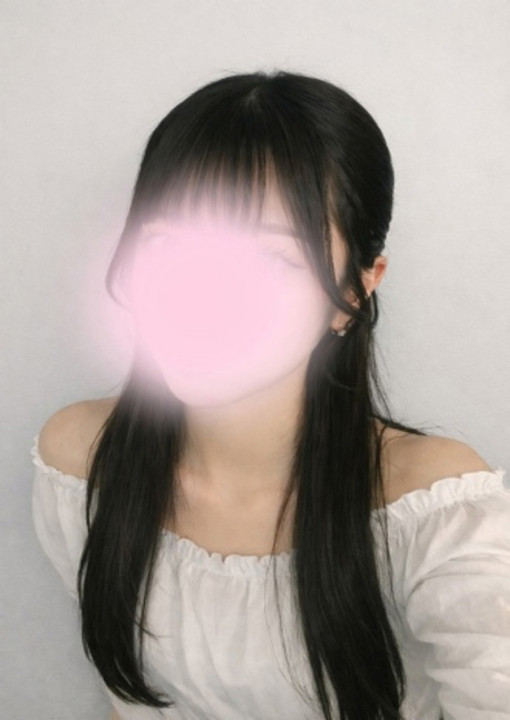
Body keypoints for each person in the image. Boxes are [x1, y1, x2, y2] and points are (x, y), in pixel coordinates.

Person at [31, 70, 510, 720]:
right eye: (168, 243)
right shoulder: (82, 460)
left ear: (354, 290)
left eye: (269, 259)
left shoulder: (429, 512)